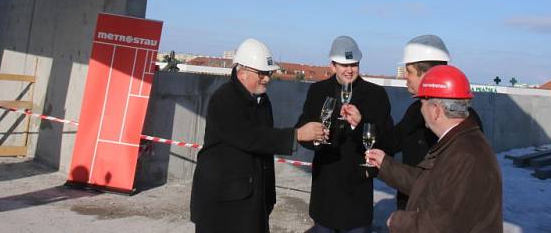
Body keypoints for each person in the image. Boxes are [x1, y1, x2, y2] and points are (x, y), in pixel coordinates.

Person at [190, 38, 326, 233]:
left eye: (269, 73)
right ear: (242, 72)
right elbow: (251, 138)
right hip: (222, 204)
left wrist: (268, 196)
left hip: (251, 200)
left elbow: (264, 151)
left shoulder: (262, 100)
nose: (267, 79)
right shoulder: (224, 99)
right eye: (261, 73)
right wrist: (296, 135)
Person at [366, 65, 503, 233]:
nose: (420, 109)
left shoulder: (467, 156)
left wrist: (398, 221)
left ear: (436, 111)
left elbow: (442, 225)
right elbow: (425, 183)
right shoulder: (456, 142)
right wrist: (385, 164)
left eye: (422, 103)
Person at [295, 35, 394, 233]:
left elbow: (389, 140)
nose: (349, 70)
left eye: (354, 64)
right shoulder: (317, 91)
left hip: (357, 191)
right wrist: (315, 139)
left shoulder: (376, 95)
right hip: (326, 189)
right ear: (332, 65)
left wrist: (361, 124)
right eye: (343, 65)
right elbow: (303, 129)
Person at [391, 34, 483, 209]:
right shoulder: (414, 111)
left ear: (427, 75)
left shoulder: (465, 122)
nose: (405, 78)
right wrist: (361, 125)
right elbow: (393, 141)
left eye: (409, 72)